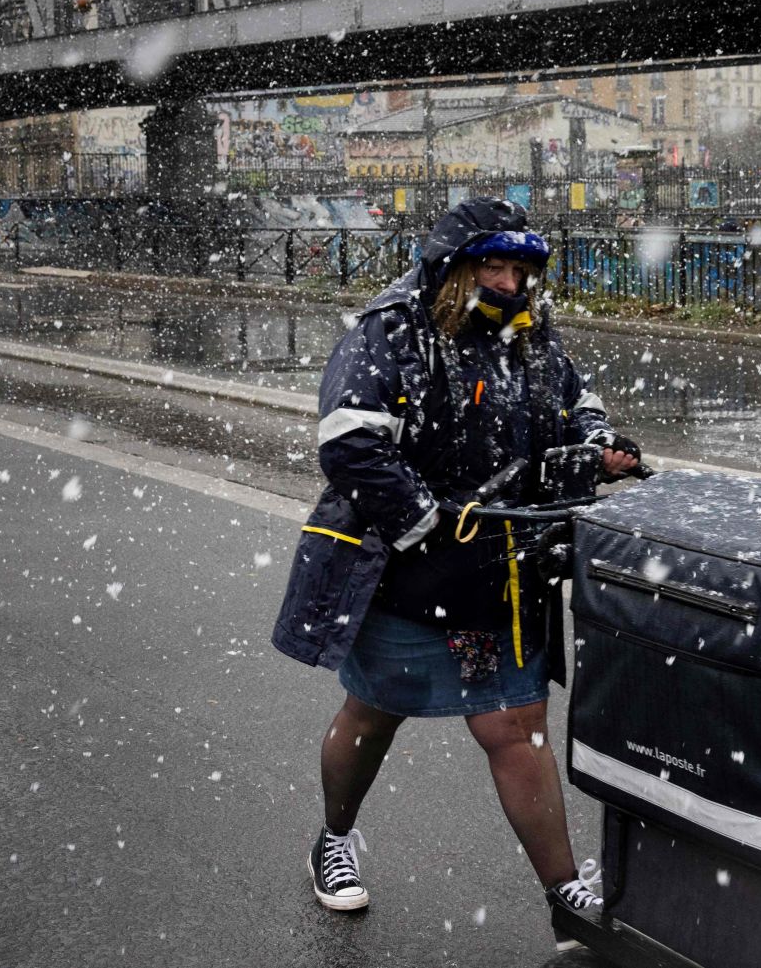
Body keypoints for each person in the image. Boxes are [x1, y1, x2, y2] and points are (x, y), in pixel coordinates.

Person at [272, 197, 641, 938]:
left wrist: (596, 444)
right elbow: (348, 440)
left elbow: (578, 402)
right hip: (409, 569)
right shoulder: (393, 328)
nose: (508, 282)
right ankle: (334, 840)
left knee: (516, 724)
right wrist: (425, 520)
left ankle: (566, 895)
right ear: (454, 267)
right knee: (373, 714)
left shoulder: (531, 333)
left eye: (519, 269)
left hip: (500, 572)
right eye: (492, 266)